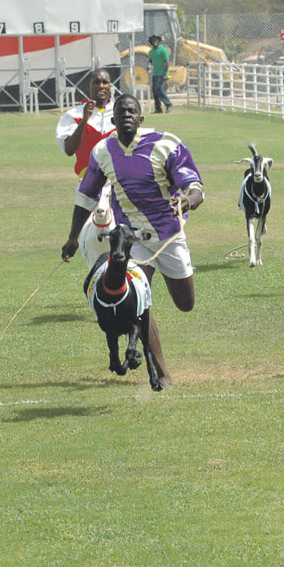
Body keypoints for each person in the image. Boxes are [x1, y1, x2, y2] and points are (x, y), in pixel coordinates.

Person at [61, 92, 204, 388]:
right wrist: (73, 237)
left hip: (168, 237)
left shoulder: (167, 144)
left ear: (141, 118)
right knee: (136, 303)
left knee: (186, 303)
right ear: (113, 120)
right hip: (131, 240)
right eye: (121, 112)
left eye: (132, 111)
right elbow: (86, 196)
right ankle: (162, 372)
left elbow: (195, 188)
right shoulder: (102, 151)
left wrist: (187, 201)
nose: (126, 115)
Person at [55, 68, 117, 176]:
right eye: (96, 82)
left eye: (105, 83)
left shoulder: (120, 112)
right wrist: (84, 120)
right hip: (88, 181)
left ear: (110, 86)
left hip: (116, 180)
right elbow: (69, 150)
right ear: (89, 86)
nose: (101, 86)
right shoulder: (74, 115)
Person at [147, 34, 172, 113]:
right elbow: (150, 61)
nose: (155, 42)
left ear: (159, 41)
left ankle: (168, 104)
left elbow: (167, 63)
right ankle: (158, 109)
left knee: (160, 90)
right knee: (155, 91)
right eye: (153, 40)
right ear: (151, 42)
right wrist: (149, 66)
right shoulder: (151, 51)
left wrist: (165, 74)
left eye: (156, 40)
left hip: (162, 74)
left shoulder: (163, 50)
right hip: (155, 74)